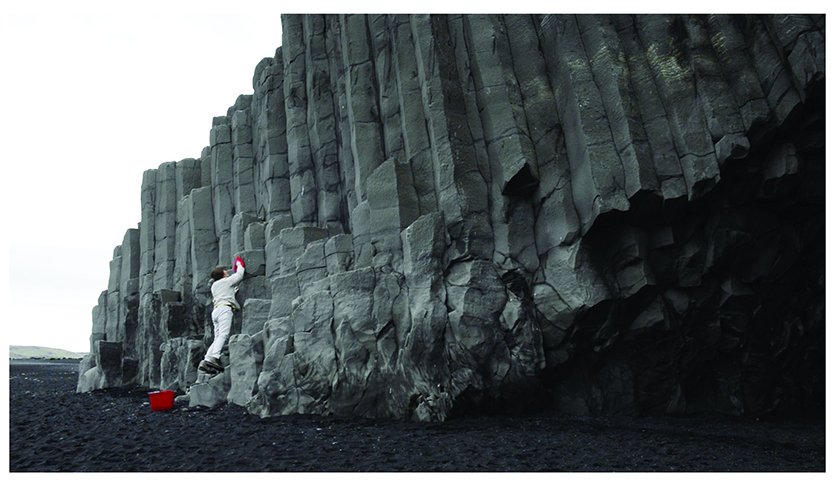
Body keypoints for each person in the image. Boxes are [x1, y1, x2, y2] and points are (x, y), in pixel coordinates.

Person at [198, 257, 245, 375]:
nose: (227, 272)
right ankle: (214, 357)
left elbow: (224, 293)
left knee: (217, 337)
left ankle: (206, 360)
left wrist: (233, 292)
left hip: (216, 311)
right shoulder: (226, 281)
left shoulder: (215, 285)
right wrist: (239, 264)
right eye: (225, 271)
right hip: (224, 309)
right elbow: (239, 275)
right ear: (222, 274)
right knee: (223, 335)